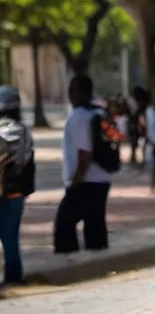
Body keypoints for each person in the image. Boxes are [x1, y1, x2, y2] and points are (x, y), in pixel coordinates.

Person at [53, 75, 112, 254]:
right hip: (102, 178)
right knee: (95, 224)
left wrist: (75, 182)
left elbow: (84, 154)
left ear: (76, 92)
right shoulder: (99, 113)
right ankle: (99, 258)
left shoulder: (78, 116)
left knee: (64, 224)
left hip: (86, 181)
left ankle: (68, 261)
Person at [0, 87, 35, 287]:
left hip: (2, 190)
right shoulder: (24, 131)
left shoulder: (1, 130)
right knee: (10, 236)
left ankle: (10, 278)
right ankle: (15, 277)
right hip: (17, 192)